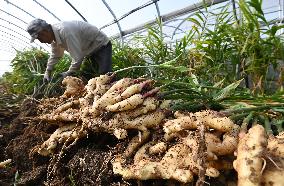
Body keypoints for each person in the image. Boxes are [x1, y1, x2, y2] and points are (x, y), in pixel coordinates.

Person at [26, 18, 112, 82]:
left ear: (44, 31)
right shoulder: (54, 37)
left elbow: (77, 58)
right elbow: (56, 55)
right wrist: (48, 70)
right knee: (86, 78)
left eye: (39, 38)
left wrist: (68, 73)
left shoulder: (65, 31)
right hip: (89, 52)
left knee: (105, 76)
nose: (41, 41)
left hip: (101, 45)